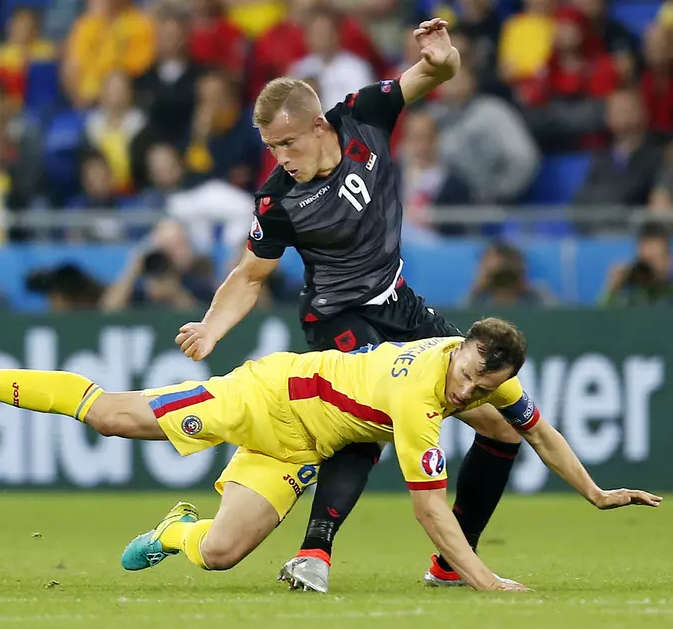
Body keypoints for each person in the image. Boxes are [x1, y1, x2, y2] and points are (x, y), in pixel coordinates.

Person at [0, 318, 662, 591]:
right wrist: (488, 581)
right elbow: (428, 506)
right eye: (463, 373)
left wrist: (594, 492)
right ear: (458, 351)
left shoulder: (483, 381)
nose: (466, 391)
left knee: (220, 553)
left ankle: (173, 531)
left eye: (479, 386)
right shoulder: (422, 393)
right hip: (267, 394)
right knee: (116, 416)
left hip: (299, 443)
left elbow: (539, 429)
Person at [172, 18, 526, 594]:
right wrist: (212, 328)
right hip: (338, 317)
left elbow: (435, 73)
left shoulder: (363, 114)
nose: (281, 157)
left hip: (402, 305)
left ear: (318, 125)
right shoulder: (278, 199)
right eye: (271, 148)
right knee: (369, 414)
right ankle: (315, 552)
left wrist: (442, 56)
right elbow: (250, 275)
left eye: (288, 143)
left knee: (503, 428)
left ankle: (450, 564)